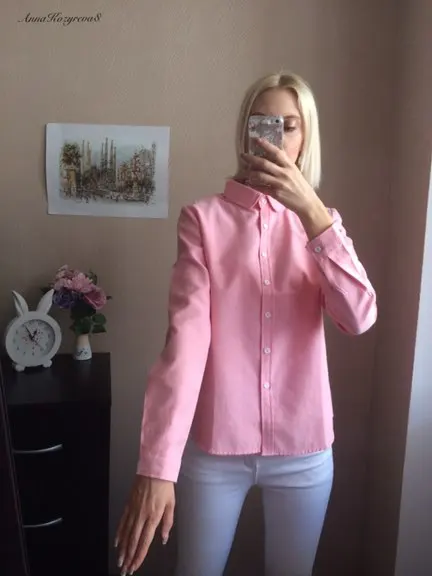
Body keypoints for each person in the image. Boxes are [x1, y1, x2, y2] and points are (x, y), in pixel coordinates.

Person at [115, 71, 377, 576]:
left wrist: (312, 214)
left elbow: (359, 317)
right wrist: (157, 466)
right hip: (216, 448)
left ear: (306, 136)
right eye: (263, 123)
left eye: (289, 125)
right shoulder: (202, 220)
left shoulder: (323, 226)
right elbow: (186, 344)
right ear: (245, 133)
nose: (275, 137)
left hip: (304, 447)